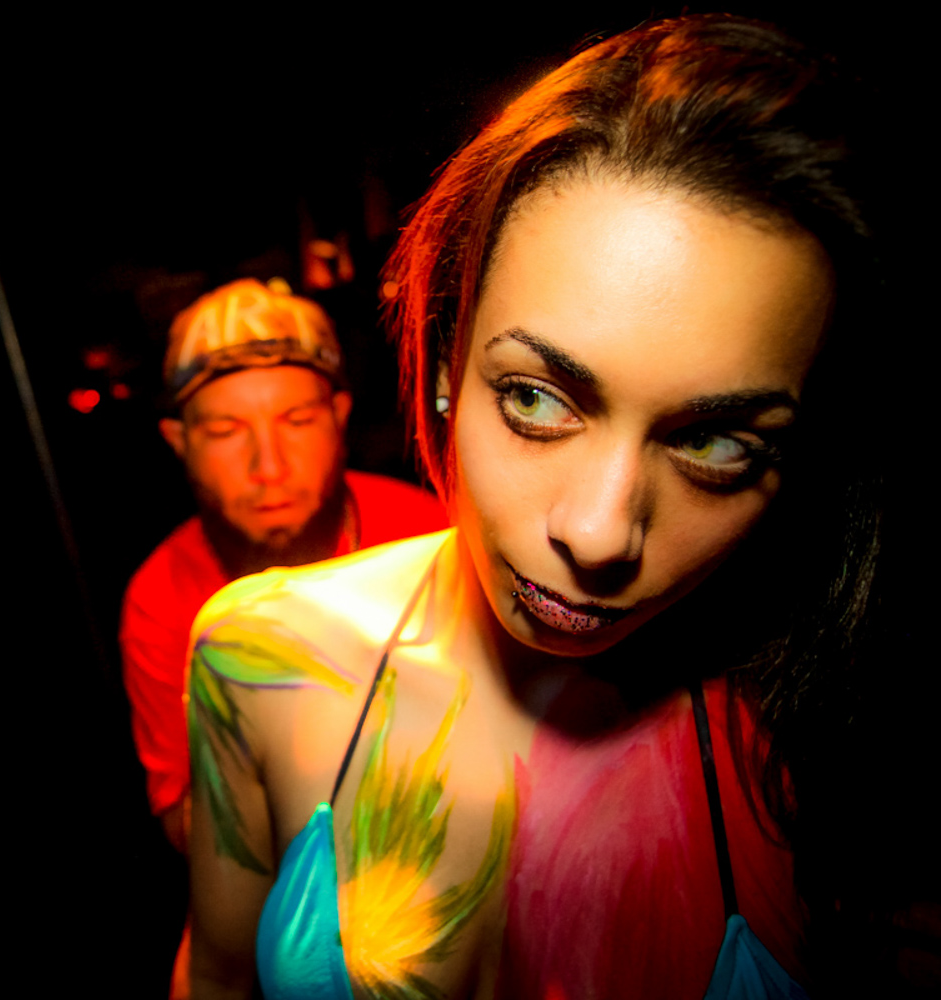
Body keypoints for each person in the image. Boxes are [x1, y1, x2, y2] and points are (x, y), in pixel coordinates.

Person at [188, 15, 890, 999]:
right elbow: (214, 977)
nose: (598, 534)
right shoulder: (262, 660)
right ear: (445, 360)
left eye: (714, 441)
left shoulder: (825, 730)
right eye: (535, 398)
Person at [123, 278, 447, 855]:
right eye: (225, 431)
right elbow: (185, 826)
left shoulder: (431, 533)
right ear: (180, 441)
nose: (269, 465)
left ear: (338, 416)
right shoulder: (162, 598)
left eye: (296, 420)